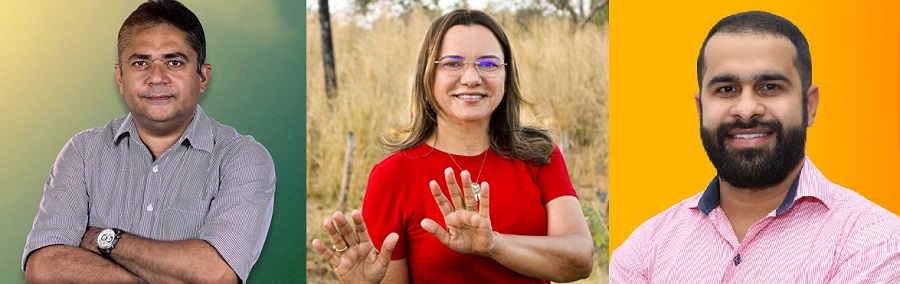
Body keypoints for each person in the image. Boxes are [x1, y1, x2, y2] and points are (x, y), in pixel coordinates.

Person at [610, 11, 900, 283]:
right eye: (726, 89)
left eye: (770, 87)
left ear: (809, 105)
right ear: (701, 109)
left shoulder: (873, 243)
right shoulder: (644, 251)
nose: (747, 109)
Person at [311, 9, 594, 283]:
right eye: (452, 63)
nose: (471, 78)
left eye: (488, 64)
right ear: (427, 75)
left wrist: (494, 245)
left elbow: (580, 260)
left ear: (506, 76)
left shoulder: (539, 155)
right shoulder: (393, 176)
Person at [21, 0, 276, 283]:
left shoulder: (243, 158)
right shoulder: (82, 153)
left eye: (174, 62)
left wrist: (105, 239)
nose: (157, 77)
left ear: (202, 76)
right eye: (141, 63)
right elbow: (44, 269)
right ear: (120, 77)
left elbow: (215, 275)